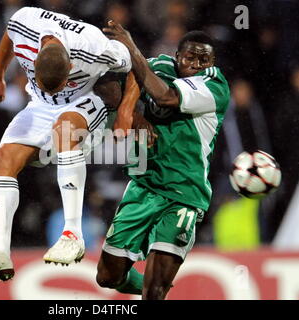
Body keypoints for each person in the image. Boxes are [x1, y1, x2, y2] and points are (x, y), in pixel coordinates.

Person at [0, 7, 131, 281]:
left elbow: (135, 63)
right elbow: (9, 35)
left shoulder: (94, 46)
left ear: (70, 67)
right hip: (40, 106)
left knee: (64, 130)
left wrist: (126, 110)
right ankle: (0, 252)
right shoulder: (25, 21)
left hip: (85, 100)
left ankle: (72, 234)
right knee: (2, 158)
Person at [95, 22, 230, 300]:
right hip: (143, 185)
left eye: (204, 59)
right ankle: (152, 285)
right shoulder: (158, 66)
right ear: (177, 55)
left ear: (213, 62)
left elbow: (165, 96)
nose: (196, 64)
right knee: (108, 277)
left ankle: (155, 287)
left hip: (183, 194)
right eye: (190, 57)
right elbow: (107, 87)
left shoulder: (215, 86)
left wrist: (131, 47)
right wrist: (135, 116)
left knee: (154, 291)